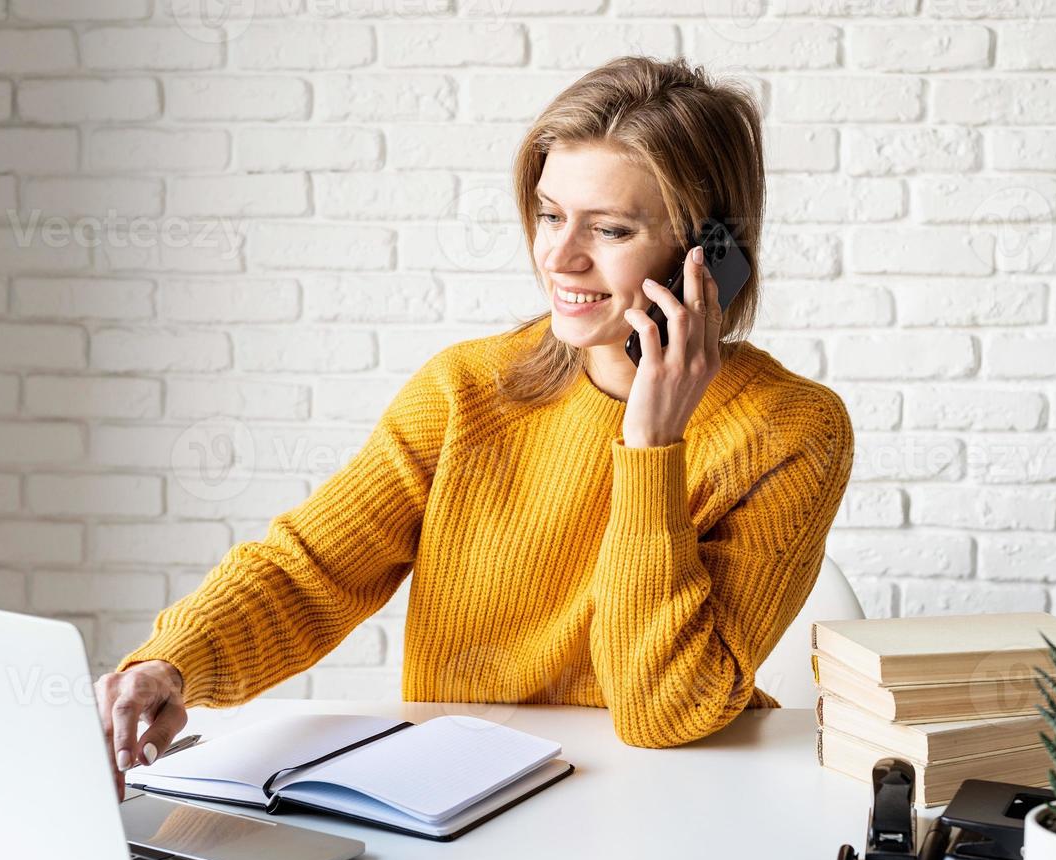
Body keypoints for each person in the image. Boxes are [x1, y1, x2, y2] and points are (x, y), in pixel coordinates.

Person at [95, 55, 855, 800]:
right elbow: (312, 570)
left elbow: (664, 711)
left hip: (670, 805)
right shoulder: (466, 389)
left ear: (706, 256)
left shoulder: (791, 431)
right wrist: (172, 665)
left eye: (612, 230)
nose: (558, 256)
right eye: (551, 215)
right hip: (456, 802)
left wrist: (651, 447)